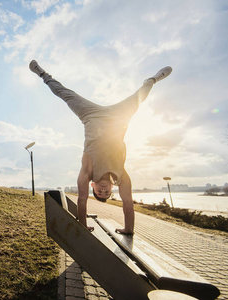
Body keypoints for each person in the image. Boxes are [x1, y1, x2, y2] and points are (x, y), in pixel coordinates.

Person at [29, 60, 172, 234]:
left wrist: (82, 224)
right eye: (106, 192)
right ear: (112, 189)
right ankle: (154, 79)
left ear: (93, 186)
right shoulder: (122, 176)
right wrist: (128, 229)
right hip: (118, 117)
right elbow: (128, 202)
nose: (103, 190)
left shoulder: (87, 173)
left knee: (66, 94)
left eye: (100, 192)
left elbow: (82, 200)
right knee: (140, 95)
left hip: (90, 115)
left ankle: (43, 74)